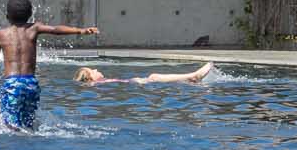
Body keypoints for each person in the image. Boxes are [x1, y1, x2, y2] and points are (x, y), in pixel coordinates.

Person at [0, 0, 98, 130]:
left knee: (9, 125)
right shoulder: (34, 29)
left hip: (12, 84)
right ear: (30, 14)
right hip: (31, 83)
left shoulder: (0, 34)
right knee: (28, 124)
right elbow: (56, 30)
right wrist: (81, 30)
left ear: (7, 16)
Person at [74, 62, 216, 86]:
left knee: (155, 77)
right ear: (91, 77)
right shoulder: (98, 83)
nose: (97, 70)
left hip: (132, 82)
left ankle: (191, 78)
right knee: (154, 76)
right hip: (133, 82)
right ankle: (193, 76)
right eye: (94, 70)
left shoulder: (100, 82)